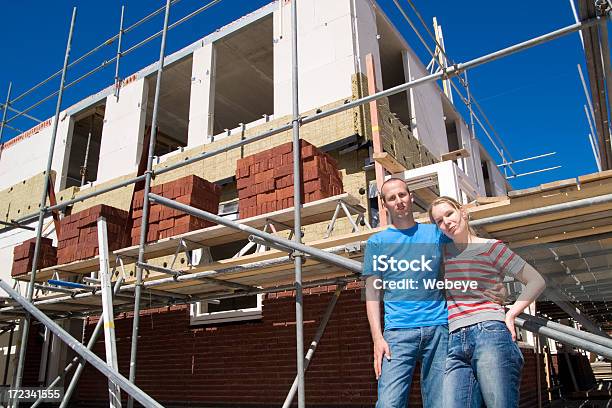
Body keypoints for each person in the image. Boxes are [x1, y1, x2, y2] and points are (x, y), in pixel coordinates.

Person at [428, 196, 546, 408]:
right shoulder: (444, 255)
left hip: (490, 334)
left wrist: (511, 314)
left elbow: (536, 280)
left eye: (449, 214)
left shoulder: (492, 248)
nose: (446, 221)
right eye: (439, 221)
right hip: (454, 341)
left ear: (462, 212)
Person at [364, 178, 455, 407]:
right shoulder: (377, 242)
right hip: (397, 333)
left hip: (438, 329)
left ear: (411, 197)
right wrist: (377, 338)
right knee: (389, 403)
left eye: (402, 195)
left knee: (442, 402)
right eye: (392, 198)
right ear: (385, 205)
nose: (399, 201)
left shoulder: (435, 234)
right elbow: (373, 293)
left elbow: (463, 240)